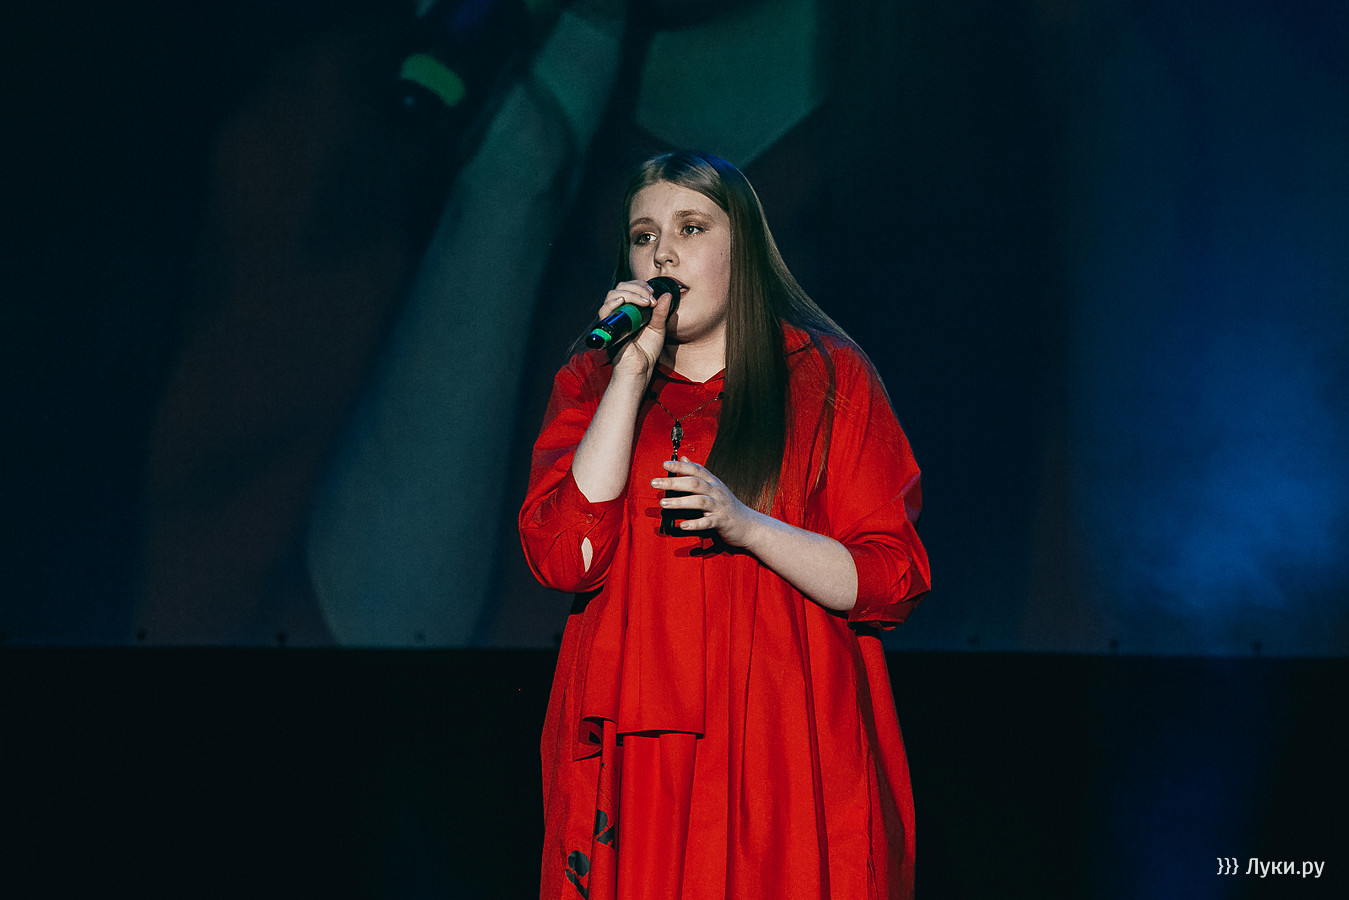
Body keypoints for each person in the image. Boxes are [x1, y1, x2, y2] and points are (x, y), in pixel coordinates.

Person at [519, 150, 930, 900]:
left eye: (690, 228)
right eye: (643, 236)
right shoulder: (593, 381)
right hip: (637, 741)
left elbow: (890, 578)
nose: (662, 254)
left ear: (742, 249)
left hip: (783, 732)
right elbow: (564, 557)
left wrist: (746, 525)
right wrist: (629, 373)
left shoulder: (826, 377)